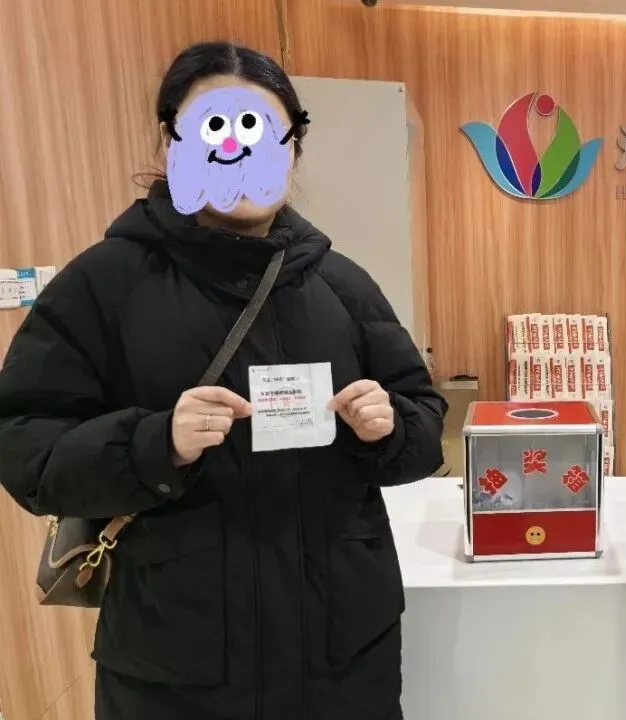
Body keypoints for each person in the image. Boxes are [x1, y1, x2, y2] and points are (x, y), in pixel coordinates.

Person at [0, 42, 446, 720]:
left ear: (294, 149)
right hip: (177, 670)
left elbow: (425, 422)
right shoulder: (106, 283)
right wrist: (155, 444)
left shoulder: (342, 285)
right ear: (170, 141)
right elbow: (25, 444)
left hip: (343, 659)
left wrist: (388, 426)